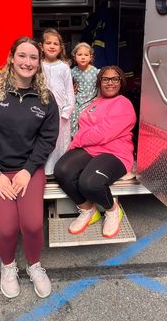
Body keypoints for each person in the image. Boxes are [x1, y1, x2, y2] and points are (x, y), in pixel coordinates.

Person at [0, 37, 59, 299]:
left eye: (33, 57)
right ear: (11, 58)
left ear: (39, 63)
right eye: (22, 56)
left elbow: (47, 138)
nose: (27, 62)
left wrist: (28, 170)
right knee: (7, 228)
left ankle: (34, 266)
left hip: (27, 171)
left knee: (31, 225)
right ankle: (8, 267)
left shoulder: (45, 98)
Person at [54, 65, 136, 238]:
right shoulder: (95, 102)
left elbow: (103, 133)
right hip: (91, 148)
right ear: (100, 82)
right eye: (105, 79)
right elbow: (86, 126)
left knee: (90, 183)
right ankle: (88, 210)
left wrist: (77, 141)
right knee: (62, 171)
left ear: (121, 82)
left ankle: (112, 210)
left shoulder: (123, 103)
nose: (110, 83)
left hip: (115, 152)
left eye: (115, 79)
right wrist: (84, 137)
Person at [41, 28, 74, 176]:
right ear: (42, 46)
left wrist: (66, 112)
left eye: (56, 43)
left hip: (61, 112)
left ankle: (58, 170)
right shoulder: (38, 65)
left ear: (61, 48)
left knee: (59, 141)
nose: (52, 46)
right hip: (42, 110)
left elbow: (69, 92)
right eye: (48, 43)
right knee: (43, 138)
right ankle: (43, 170)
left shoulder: (64, 67)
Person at [70, 42, 99, 137]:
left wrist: (98, 97)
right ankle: (74, 137)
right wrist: (72, 90)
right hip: (77, 99)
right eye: (80, 55)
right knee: (72, 113)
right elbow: (68, 85)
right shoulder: (73, 71)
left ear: (90, 57)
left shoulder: (95, 71)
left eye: (86, 55)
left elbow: (100, 86)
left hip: (90, 99)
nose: (83, 57)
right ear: (74, 57)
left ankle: (85, 137)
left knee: (86, 117)